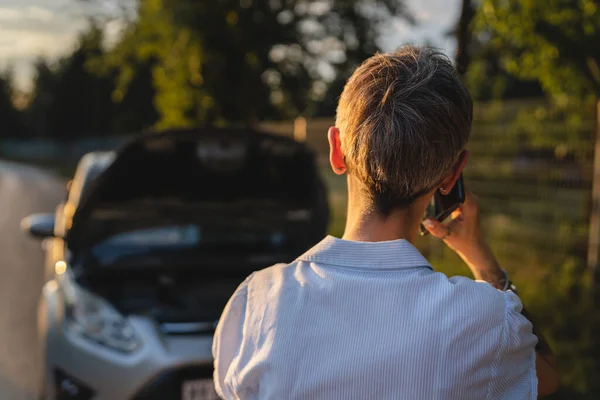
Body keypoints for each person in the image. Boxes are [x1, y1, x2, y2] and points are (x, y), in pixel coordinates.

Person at [212, 46, 559, 399]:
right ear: (452, 175)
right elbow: (545, 377)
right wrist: (481, 259)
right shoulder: (484, 322)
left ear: (336, 150)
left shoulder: (255, 303)